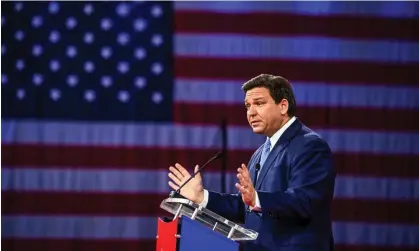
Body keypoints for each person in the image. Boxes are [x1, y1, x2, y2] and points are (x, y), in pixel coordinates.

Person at [168, 74, 336, 251]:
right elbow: (247, 207)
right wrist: (202, 197)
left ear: (283, 106)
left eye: (259, 103)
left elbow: (304, 202)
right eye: (248, 106)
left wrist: (256, 198)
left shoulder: (310, 146)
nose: (251, 112)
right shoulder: (260, 152)